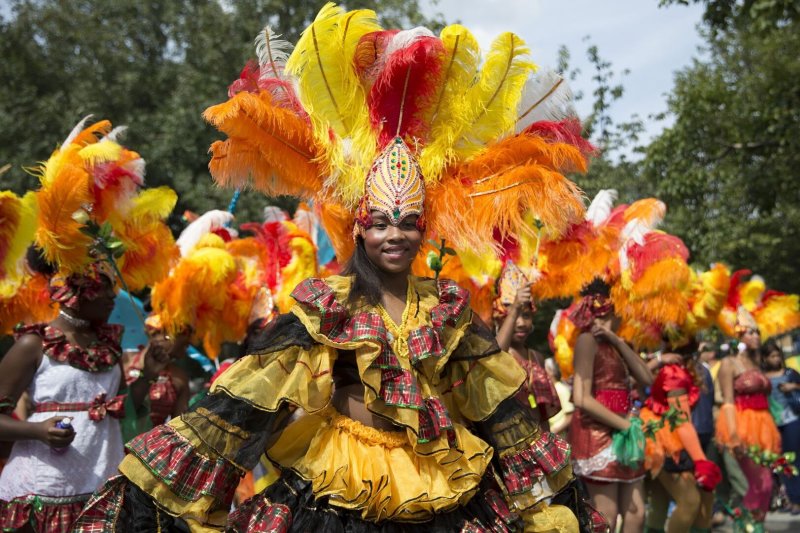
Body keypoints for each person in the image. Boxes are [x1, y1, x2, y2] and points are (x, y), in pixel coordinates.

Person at [569, 279, 654, 532]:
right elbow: (582, 398)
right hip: (598, 434)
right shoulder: (587, 340)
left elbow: (647, 379)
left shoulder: (618, 344)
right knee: (607, 515)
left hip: (624, 434)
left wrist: (617, 341)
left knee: (636, 514)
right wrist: (625, 424)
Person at [640, 339, 721, 533]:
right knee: (690, 501)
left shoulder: (685, 369)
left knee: (661, 502)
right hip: (665, 442)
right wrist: (701, 461)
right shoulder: (673, 373)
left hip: (674, 438)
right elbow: (681, 422)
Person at [716, 307, 782, 526]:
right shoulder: (729, 363)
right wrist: (733, 436)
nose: (756, 336)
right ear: (739, 336)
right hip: (741, 426)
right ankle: (747, 527)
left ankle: (756, 526)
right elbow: (727, 402)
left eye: (757, 332)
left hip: (764, 428)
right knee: (751, 485)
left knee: (766, 484)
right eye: (750, 332)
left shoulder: (758, 363)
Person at [493, 263, 562, 431]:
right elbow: (494, 359)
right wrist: (515, 306)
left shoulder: (536, 357)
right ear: (498, 318)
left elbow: (542, 414)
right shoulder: (497, 353)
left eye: (526, 315)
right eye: (513, 316)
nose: (521, 323)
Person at [762, 339, 800, 514]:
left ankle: (797, 500)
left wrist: (793, 386)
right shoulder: (762, 377)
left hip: (792, 419)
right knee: (781, 462)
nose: (776, 359)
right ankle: (790, 499)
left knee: (795, 460)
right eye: (772, 356)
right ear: (765, 358)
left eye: (778, 355)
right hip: (772, 424)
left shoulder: (790, 373)